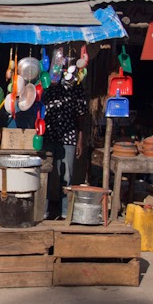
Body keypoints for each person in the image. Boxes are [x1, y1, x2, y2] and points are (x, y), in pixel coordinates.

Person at [42, 79, 86, 219]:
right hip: (47, 137)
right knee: (46, 175)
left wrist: (80, 140)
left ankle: (65, 213)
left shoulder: (76, 86)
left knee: (67, 177)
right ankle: (44, 212)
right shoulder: (45, 83)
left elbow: (81, 116)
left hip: (68, 138)